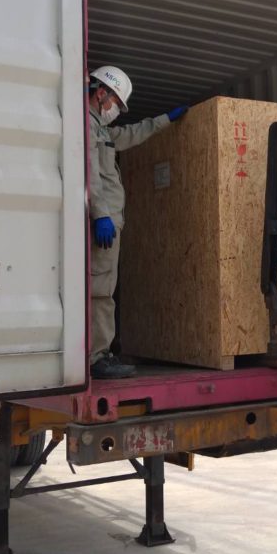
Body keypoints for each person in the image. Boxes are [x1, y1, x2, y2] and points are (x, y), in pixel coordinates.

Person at [87, 65, 188, 379]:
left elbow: (131, 134)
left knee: (103, 288)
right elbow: (89, 174)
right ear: (101, 93)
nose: (117, 111)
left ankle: (98, 353)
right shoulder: (86, 126)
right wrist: (101, 215)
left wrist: (165, 120)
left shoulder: (100, 129)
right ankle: (96, 358)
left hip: (108, 221)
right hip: (103, 222)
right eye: (116, 103)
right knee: (101, 290)